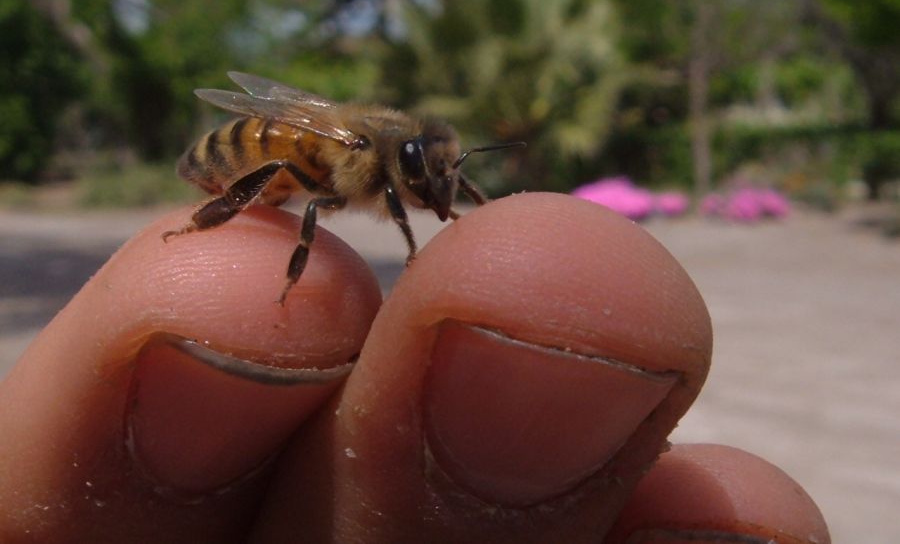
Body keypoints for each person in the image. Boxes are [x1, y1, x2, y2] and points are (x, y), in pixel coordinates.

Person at [0, 192, 829, 543]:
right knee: (251, 282)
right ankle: (217, 232)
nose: (435, 194)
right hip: (250, 218)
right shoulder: (353, 162)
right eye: (428, 183)